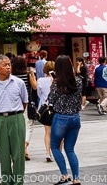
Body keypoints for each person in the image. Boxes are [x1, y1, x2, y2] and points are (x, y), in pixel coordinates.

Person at [0, 54, 27, 185]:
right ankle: (6, 181)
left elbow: (24, 101)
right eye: (5, 65)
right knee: (3, 154)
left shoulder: (18, 83)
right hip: (0, 120)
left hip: (16, 118)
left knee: (18, 154)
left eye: (9, 64)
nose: (8, 67)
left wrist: (15, 112)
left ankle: (18, 182)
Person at [48, 55, 83, 185]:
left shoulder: (57, 82)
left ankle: (64, 175)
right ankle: (76, 178)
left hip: (61, 118)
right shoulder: (78, 80)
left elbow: (50, 100)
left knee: (55, 147)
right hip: (75, 118)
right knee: (70, 149)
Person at [11, 56, 37, 161]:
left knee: (17, 126)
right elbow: (35, 87)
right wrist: (32, 75)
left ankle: (21, 148)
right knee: (29, 125)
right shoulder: (27, 75)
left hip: (13, 104)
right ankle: (24, 147)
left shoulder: (11, 76)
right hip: (26, 103)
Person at [36, 61, 55, 162]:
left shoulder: (40, 80)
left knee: (47, 132)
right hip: (57, 108)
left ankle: (48, 152)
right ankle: (58, 152)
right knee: (58, 133)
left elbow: (39, 94)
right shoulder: (58, 80)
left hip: (45, 108)